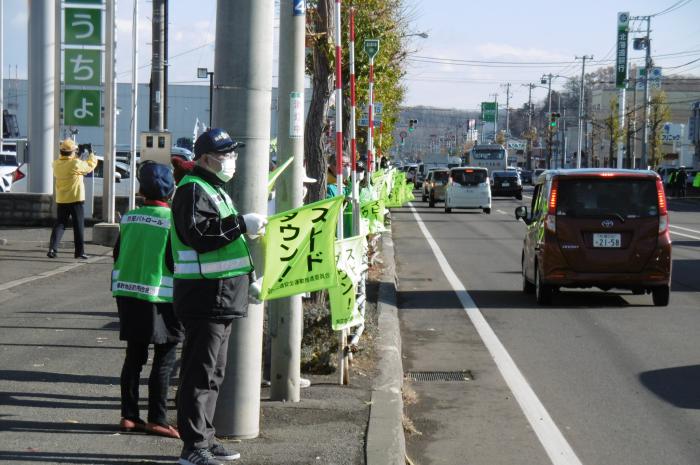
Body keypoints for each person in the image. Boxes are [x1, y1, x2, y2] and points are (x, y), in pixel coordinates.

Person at [171, 128, 267, 465]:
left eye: (232, 153)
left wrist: (249, 280)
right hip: (205, 294)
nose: (232, 160)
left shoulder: (213, 189)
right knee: (200, 373)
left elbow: (230, 246)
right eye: (227, 154)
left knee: (212, 373)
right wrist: (242, 223)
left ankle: (205, 440)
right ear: (207, 158)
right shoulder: (193, 189)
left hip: (221, 294)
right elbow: (200, 235)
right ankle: (193, 447)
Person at [112, 162, 183, 439]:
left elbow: (117, 254)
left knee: (134, 358)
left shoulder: (129, 218)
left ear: (142, 191)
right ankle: (158, 419)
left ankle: (129, 416)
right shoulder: (171, 221)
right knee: (164, 359)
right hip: (162, 298)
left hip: (128, 296)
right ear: (171, 191)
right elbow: (176, 262)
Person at [47, 139, 97, 259]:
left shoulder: (56, 164)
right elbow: (90, 166)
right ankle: (79, 252)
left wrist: (77, 155)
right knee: (78, 226)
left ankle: (52, 249)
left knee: (60, 224)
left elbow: (70, 162)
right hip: (75, 199)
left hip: (62, 199)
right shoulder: (75, 164)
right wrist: (91, 153)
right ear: (72, 152)